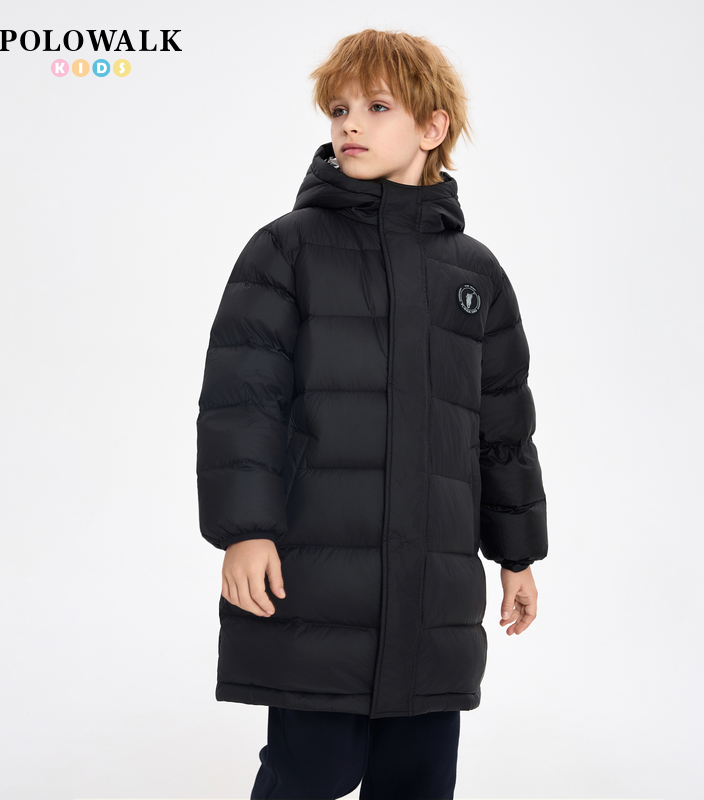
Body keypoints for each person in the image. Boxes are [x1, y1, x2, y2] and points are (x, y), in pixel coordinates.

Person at [196, 28, 549, 800]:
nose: (350, 123)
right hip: (316, 583)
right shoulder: (286, 251)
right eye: (339, 109)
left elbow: (502, 429)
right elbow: (242, 402)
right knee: (311, 772)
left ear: (432, 127)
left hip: (433, 594)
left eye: (377, 107)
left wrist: (517, 555)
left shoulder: (476, 275)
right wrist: (245, 529)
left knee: (418, 780)